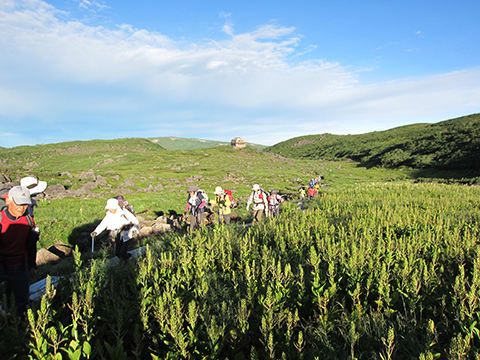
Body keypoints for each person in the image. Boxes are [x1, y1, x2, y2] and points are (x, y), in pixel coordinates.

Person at [0, 186, 39, 316]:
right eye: (18, 203)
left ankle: (20, 328)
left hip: (21, 266)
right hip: (1, 264)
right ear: (8, 201)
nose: (21, 208)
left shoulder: (28, 220)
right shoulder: (0, 219)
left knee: (22, 303)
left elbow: (31, 245)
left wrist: (32, 266)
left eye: (25, 204)